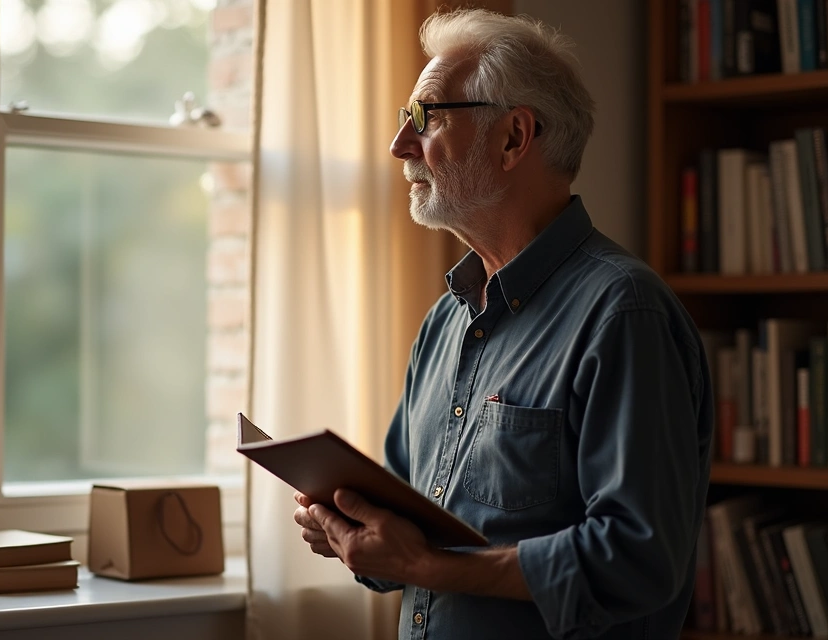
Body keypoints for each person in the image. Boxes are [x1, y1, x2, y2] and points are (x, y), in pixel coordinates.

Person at [292, 8, 714, 640]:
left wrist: (431, 565)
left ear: (515, 137)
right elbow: (408, 531)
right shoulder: (446, 321)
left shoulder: (624, 314)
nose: (400, 146)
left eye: (426, 117)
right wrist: (355, 532)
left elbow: (638, 559)